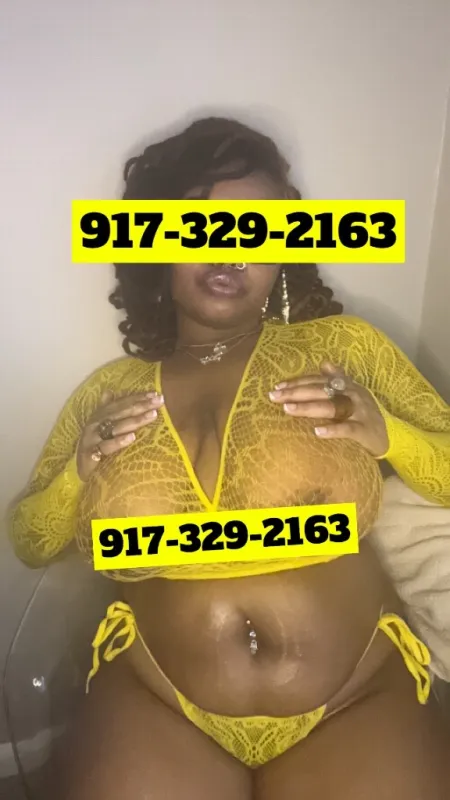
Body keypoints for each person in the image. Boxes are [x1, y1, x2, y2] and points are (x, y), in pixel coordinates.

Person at [9, 117, 450, 799]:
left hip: (354, 697)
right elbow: (31, 541)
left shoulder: (342, 349)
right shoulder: (108, 392)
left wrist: (387, 433)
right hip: (156, 700)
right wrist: (78, 472)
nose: (229, 251)